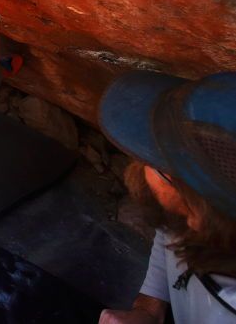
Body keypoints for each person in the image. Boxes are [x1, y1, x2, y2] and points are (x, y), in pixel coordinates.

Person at [98, 71, 236, 323]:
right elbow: (170, 229)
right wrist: (149, 308)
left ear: (199, 215)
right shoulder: (197, 214)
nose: (139, 161)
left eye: (157, 163)